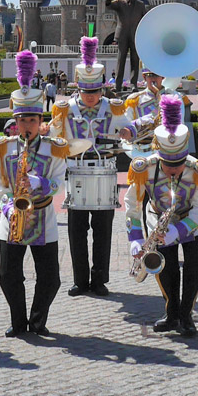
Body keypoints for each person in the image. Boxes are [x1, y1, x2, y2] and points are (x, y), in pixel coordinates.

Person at [0, 52, 69, 337]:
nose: (27, 125)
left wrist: (43, 184)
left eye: (32, 120)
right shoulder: (4, 147)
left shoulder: (54, 147)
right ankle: (18, 321)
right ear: (15, 121)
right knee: (8, 275)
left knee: (50, 278)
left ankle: (38, 321)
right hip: (12, 216)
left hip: (43, 215)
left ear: (40, 120)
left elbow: (61, 181)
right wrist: (7, 206)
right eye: (22, 120)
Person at [57, 36, 140, 298]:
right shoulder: (65, 109)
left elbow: (131, 128)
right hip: (77, 172)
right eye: (86, 92)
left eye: (95, 92)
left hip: (104, 170)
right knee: (76, 230)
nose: (91, 97)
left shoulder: (113, 108)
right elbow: (55, 139)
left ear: (102, 90)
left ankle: (100, 279)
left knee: (103, 230)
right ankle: (81, 280)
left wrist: (127, 130)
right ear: (78, 89)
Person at [126, 93, 198, 336]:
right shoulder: (146, 167)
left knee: (194, 266)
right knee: (166, 267)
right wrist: (134, 237)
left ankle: (186, 314)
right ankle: (171, 311)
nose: (174, 169)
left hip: (191, 223)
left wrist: (178, 230)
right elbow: (131, 204)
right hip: (158, 220)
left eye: (179, 163)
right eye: (168, 164)